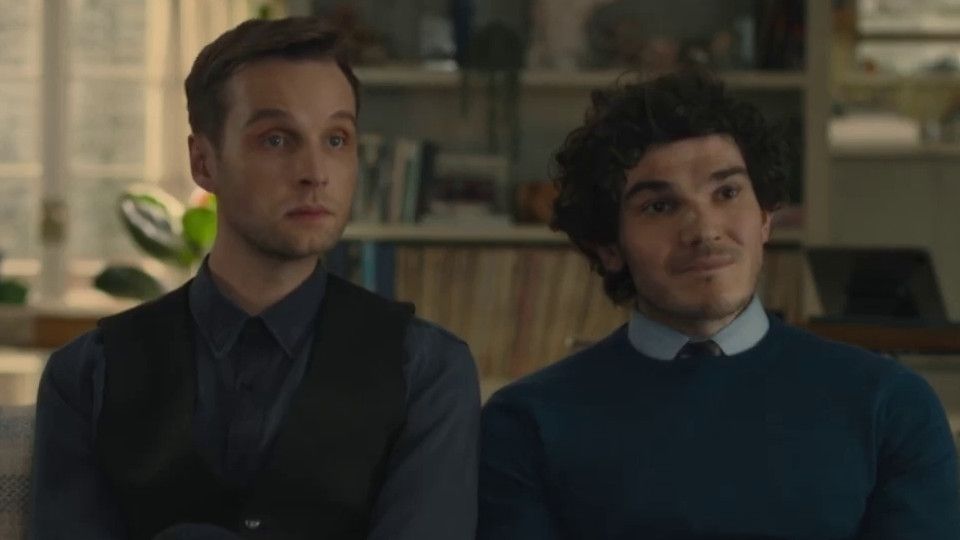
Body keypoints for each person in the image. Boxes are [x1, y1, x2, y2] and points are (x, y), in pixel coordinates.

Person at [31, 17, 479, 540]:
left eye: (336, 139)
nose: (315, 172)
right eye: (276, 139)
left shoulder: (425, 371)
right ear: (204, 162)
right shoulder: (88, 376)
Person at [478, 71, 960, 539]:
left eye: (727, 192)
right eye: (660, 206)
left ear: (766, 217)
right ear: (608, 246)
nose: (705, 230)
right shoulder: (527, 423)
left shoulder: (889, 407)